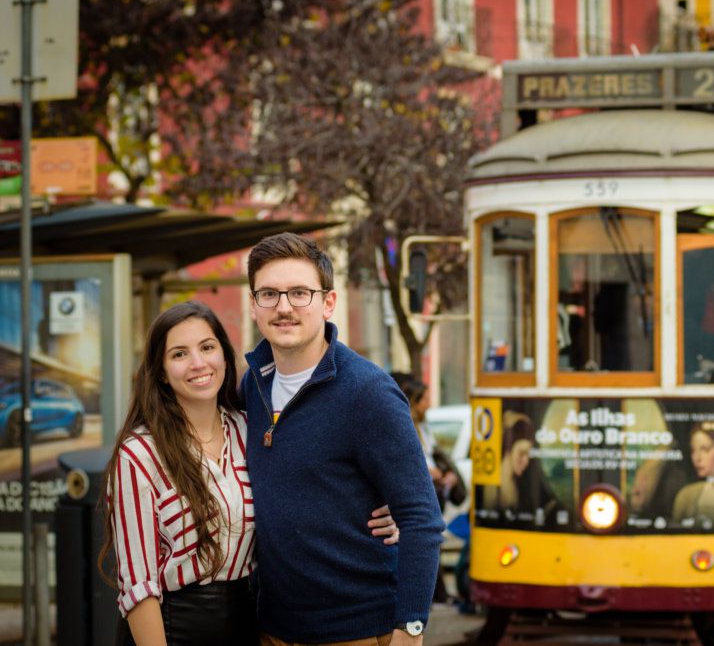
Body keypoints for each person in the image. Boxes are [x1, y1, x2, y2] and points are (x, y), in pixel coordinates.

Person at [100, 301, 398, 646]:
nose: (198, 363)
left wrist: (379, 512)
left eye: (207, 347)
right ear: (162, 372)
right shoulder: (138, 454)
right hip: (174, 629)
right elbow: (138, 585)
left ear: (225, 356)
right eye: (179, 354)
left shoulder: (249, 430)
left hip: (249, 624)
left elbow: (308, 486)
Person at [241, 232, 445, 645]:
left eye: (300, 293)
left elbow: (421, 518)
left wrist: (411, 629)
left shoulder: (368, 393)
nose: (284, 307)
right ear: (253, 306)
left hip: (358, 631)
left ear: (328, 303)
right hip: (274, 629)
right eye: (269, 294)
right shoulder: (252, 384)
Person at [391, 371, 466, 604]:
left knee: (432, 539)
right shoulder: (404, 424)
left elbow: (434, 454)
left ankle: (437, 593)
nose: (429, 404)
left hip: (435, 488)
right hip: (423, 487)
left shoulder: (424, 426)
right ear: (414, 401)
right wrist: (431, 472)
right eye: (424, 399)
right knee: (425, 539)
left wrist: (447, 474)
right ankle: (433, 594)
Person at [480, 411, 559, 519]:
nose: (526, 462)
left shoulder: (525, 484)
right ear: (508, 448)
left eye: (528, 455)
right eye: (522, 453)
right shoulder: (492, 488)